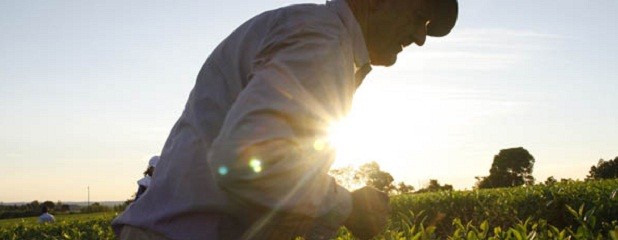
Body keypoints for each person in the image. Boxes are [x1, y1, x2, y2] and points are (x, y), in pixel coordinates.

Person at [112, 0, 457, 239]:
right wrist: (349, 207)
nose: (419, 37)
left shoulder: (315, 35)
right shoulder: (321, 42)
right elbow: (244, 163)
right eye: (418, 15)